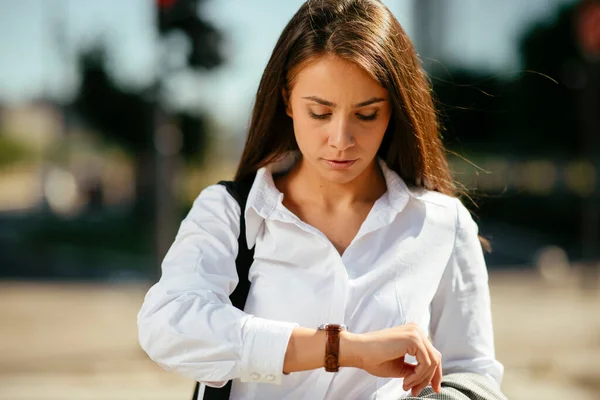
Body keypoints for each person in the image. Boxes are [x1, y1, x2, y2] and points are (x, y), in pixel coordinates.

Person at [137, 0, 505, 399]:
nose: (341, 139)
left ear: (394, 112)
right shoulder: (231, 213)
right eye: (319, 112)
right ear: (287, 100)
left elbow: (474, 373)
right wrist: (343, 350)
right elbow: (168, 326)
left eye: (366, 115)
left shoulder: (441, 223)